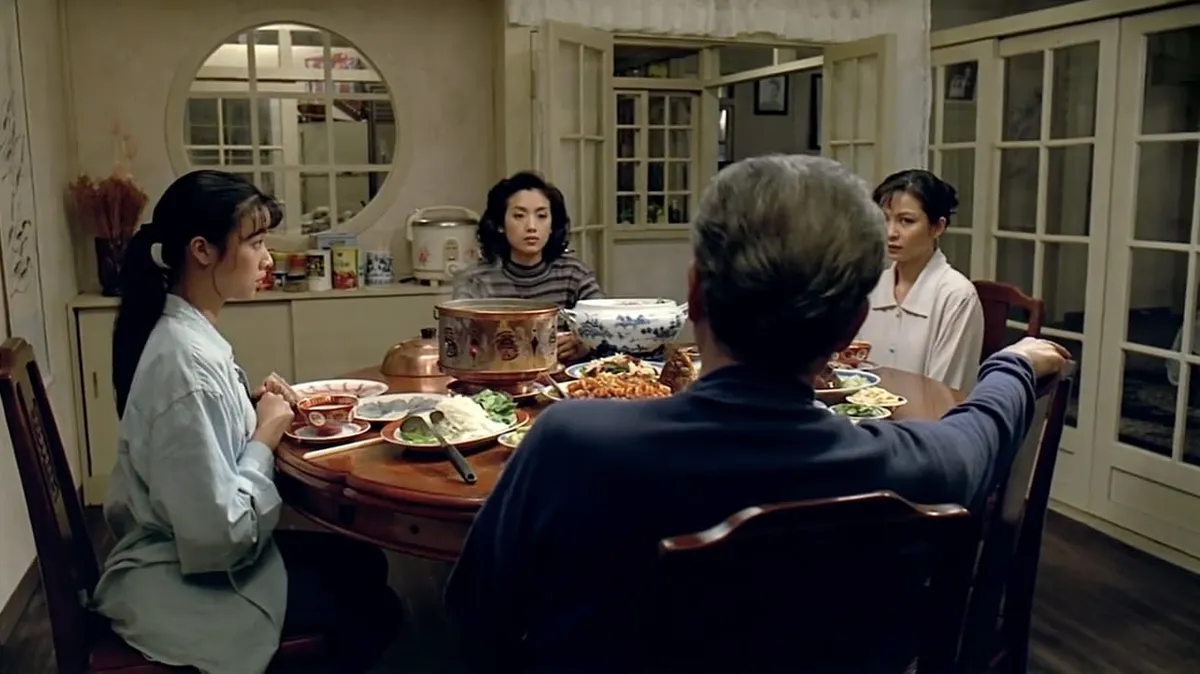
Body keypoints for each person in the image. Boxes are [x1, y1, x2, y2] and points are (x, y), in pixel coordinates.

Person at [443, 155, 1069, 672]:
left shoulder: (571, 443)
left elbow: (476, 612)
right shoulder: (908, 465)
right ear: (853, 325)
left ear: (695, 294)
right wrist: (1013, 364)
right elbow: (979, 435)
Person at [93, 170, 400, 674]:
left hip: (185, 553)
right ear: (201, 250)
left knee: (365, 562)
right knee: (375, 610)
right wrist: (264, 435)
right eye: (255, 243)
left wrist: (248, 406)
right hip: (181, 582)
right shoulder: (185, 363)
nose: (268, 259)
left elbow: (201, 447)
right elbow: (220, 537)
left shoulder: (183, 332)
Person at [856, 169, 986, 392]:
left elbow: (944, 393)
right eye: (884, 219)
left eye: (906, 221)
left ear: (938, 227)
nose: (891, 232)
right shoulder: (871, 286)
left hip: (929, 413)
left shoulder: (956, 296)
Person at [453, 171, 602, 361]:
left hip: (562, 375)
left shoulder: (574, 274)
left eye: (541, 216)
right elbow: (458, 338)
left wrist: (582, 342)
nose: (531, 226)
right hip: (495, 373)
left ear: (552, 225)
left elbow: (601, 326)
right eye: (519, 215)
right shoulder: (476, 280)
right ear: (500, 224)